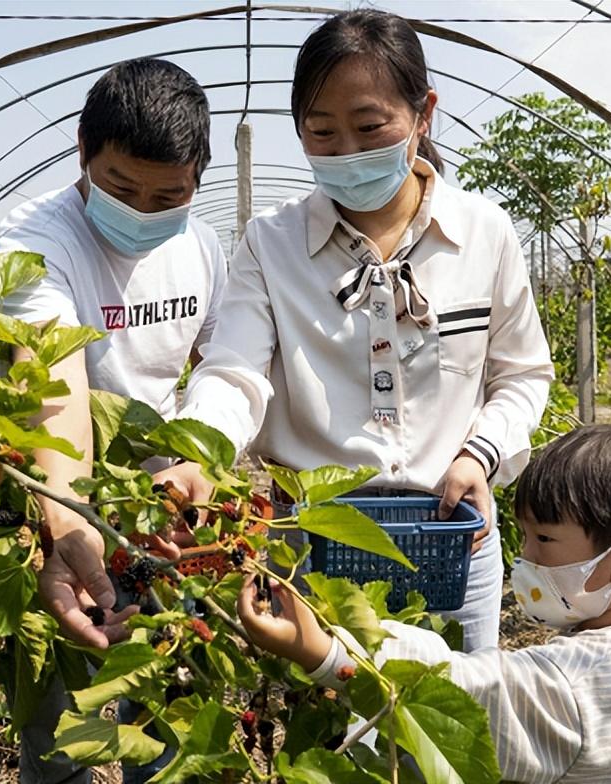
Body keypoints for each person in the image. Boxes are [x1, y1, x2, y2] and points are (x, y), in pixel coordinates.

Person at [157, 9, 553, 651]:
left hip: (453, 535)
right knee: (326, 733)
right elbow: (233, 370)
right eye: (322, 133)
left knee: (447, 730)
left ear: (423, 114)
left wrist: (480, 454)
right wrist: (200, 453)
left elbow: (521, 374)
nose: (347, 153)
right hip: (316, 544)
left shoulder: (484, 233)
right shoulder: (271, 245)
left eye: (370, 128)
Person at [0, 57, 225, 784]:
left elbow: (223, 367)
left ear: (197, 179)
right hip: (55, 516)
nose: (145, 211)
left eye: (169, 195)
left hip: (163, 519)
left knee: (166, 722)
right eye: (122, 188)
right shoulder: (32, 243)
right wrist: (68, 520)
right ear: (82, 149)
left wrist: (202, 469)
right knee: (65, 734)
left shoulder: (203, 246)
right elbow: (56, 384)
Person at [239, 424, 611, 783]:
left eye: (544, 538)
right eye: (524, 535)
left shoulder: (584, 679)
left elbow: (469, 686)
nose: (526, 556)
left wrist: (326, 647)